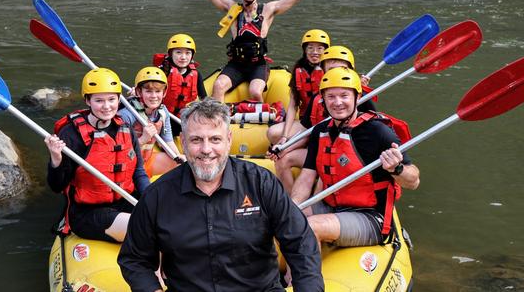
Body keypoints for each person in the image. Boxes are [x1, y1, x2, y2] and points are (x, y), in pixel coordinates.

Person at [118, 97, 324, 292]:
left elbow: (300, 242)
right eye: (196, 139)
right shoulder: (157, 195)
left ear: (228, 140)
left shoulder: (261, 183)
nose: (206, 149)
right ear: (184, 142)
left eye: (215, 139)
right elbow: (134, 259)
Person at [290, 68, 420, 247]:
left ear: (357, 97)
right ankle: (289, 276)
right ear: (323, 100)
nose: (337, 102)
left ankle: (306, 276)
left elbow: (414, 181)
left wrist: (396, 169)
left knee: (311, 227)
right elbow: (306, 177)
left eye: (344, 95)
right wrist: (293, 205)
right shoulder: (320, 131)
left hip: (371, 217)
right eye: (331, 97)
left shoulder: (378, 131)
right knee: (286, 218)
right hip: (333, 207)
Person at [45, 68, 149, 242]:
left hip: (126, 201)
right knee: (147, 228)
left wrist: (150, 199)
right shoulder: (71, 134)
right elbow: (56, 186)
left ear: (118, 99)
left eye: (111, 99)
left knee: (167, 217)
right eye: (99, 100)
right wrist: (56, 159)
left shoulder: (125, 128)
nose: (107, 106)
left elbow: (138, 171)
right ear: (88, 100)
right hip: (88, 212)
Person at [203, 0, 314, 102]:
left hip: (258, 65)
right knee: (218, 86)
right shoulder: (232, 8)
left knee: (255, 91)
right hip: (236, 64)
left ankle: (263, 118)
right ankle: (219, 122)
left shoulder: (268, 10)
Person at [267, 44, 374, 194]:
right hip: (319, 152)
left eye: (341, 70)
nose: (336, 75)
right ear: (323, 72)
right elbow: (306, 132)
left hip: (346, 157)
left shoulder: (362, 100)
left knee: (327, 171)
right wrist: (284, 149)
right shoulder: (318, 98)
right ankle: (290, 203)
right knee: (283, 159)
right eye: (331, 70)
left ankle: (315, 209)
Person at [118, 66, 186, 177]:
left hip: (146, 160)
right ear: (139, 92)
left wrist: (177, 155)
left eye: (158, 91)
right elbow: (118, 151)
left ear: (164, 93)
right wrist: (143, 139)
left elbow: (168, 141)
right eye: (148, 91)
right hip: (126, 164)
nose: (154, 96)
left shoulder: (163, 112)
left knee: (182, 163)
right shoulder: (126, 115)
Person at [156, 33, 207, 136]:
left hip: (184, 119)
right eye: (178, 52)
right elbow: (148, 88)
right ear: (170, 54)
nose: (183, 57)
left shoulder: (196, 74)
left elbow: (204, 99)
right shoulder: (163, 71)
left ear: (192, 55)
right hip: (163, 117)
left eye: (188, 53)